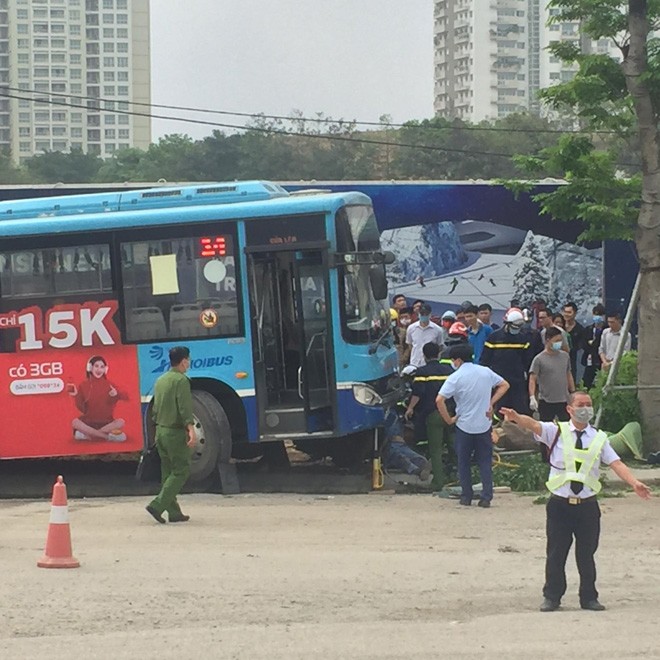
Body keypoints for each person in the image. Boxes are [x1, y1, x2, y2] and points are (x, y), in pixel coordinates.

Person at [500, 394, 651, 612]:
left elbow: (616, 463)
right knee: (556, 553)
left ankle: (589, 597)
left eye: (589, 405)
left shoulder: (599, 438)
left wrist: (634, 483)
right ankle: (552, 596)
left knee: (586, 554)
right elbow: (533, 425)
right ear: (569, 409)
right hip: (560, 504)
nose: (586, 409)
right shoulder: (557, 431)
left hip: (587, 505)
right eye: (581, 405)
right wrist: (515, 418)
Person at [436, 343, 510, 507]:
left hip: (464, 425)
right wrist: (491, 402)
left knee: (463, 462)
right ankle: (486, 497)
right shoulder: (485, 372)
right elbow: (505, 384)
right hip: (484, 423)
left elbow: (439, 400)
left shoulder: (455, 377)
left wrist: (449, 420)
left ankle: (466, 496)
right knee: (485, 461)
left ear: (458, 360)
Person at [146, 346, 196, 524]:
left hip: (161, 431)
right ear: (183, 361)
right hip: (174, 433)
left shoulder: (160, 380)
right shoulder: (181, 381)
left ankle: (174, 513)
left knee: (167, 472)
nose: (188, 363)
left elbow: (155, 409)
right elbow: (184, 407)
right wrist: (190, 429)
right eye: (188, 360)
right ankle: (157, 505)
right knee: (181, 470)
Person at [405, 342, 454, 491]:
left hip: (434, 414)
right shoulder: (449, 370)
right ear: (439, 354)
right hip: (452, 413)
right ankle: (456, 476)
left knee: (436, 449)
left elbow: (418, 393)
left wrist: (410, 408)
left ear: (424, 356)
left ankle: (438, 482)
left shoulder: (422, 372)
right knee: (453, 446)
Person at [480, 307, 533, 414]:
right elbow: (485, 360)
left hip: (517, 381)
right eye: (514, 327)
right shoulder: (494, 337)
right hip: (498, 381)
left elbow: (527, 360)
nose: (516, 329)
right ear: (506, 323)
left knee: (519, 409)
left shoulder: (523, 338)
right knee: (499, 409)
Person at [70, 355, 127, 442]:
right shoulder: (83, 385)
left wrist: (116, 394)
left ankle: (89, 435)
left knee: (121, 421)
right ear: (90, 367)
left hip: (106, 423)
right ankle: (107, 437)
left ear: (105, 369)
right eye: (96, 366)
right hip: (88, 422)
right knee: (75, 422)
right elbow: (82, 409)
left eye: (102, 367)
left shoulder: (110, 384)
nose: (99, 369)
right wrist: (76, 395)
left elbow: (126, 396)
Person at [529, 327, 575, 422]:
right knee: (546, 428)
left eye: (560, 340)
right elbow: (532, 378)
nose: (559, 343)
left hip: (564, 399)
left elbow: (568, 374)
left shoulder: (565, 356)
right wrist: (532, 396)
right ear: (548, 340)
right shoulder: (539, 359)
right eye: (556, 341)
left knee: (566, 426)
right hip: (546, 400)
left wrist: (573, 392)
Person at [404, 303, 444, 368]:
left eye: (426, 314)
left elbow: (440, 346)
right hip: (415, 363)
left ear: (430, 314)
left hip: (430, 364)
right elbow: (410, 345)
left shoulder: (437, 330)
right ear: (419, 314)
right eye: (422, 314)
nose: (424, 316)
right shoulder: (411, 328)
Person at [581, 303, 606, 388]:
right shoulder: (588, 329)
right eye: (595, 314)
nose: (597, 317)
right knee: (586, 383)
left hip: (602, 360)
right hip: (590, 359)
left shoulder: (606, 330)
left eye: (600, 315)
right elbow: (584, 344)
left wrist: (593, 343)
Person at [562, 302, 584, 380]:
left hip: (571, 360)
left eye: (569, 312)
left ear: (575, 314)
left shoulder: (580, 329)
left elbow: (579, 346)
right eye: (565, 312)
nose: (566, 314)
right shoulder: (560, 326)